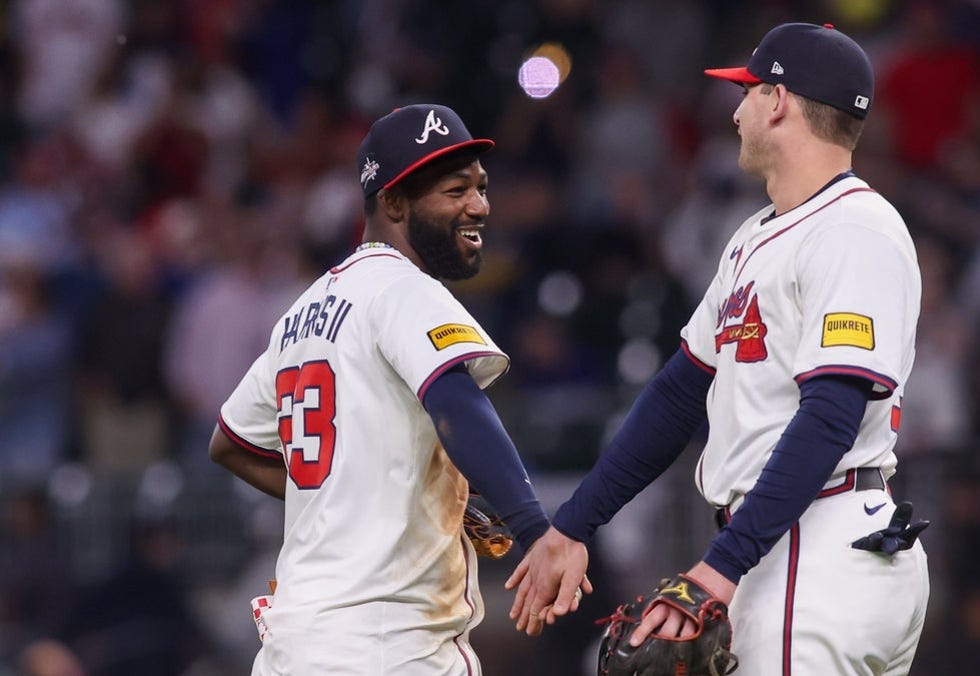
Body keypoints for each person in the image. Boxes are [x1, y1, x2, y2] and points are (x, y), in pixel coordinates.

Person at [507, 22, 930, 674]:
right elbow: (679, 393)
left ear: (780, 101)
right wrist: (573, 526)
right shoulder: (754, 237)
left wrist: (721, 569)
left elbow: (831, 414)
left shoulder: (853, 228)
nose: (734, 112)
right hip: (784, 545)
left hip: (815, 544)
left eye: (748, 94)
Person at [209, 103, 564, 675]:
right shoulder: (403, 288)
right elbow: (454, 403)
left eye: (480, 187)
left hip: (294, 644)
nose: (479, 205)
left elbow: (230, 444)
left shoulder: (305, 310)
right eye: (455, 190)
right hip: (389, 644)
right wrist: (535, 530)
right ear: (394, 202)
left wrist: (357, 499)